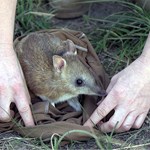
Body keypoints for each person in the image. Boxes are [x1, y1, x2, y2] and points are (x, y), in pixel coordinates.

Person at [0, 0, 150, 132]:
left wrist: (146, 69)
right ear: (59, 66)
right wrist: (4, 50)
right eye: (79, 83)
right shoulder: (46, 81)